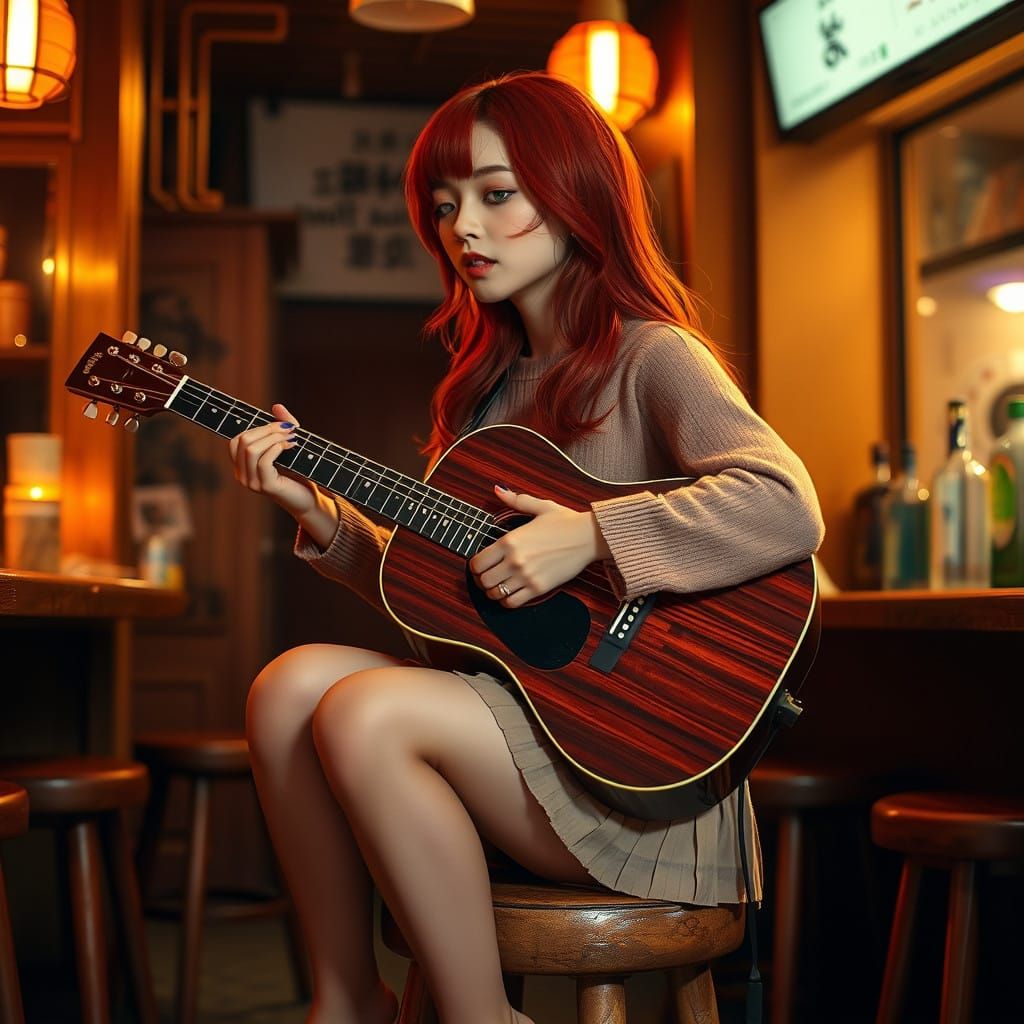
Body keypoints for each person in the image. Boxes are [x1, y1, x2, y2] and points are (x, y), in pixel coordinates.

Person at [229, 70, 824, 1024]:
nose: (463, 225)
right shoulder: (480, 399)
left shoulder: (652, 354)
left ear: (575, 193)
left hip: (642, 776)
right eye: (444, 204)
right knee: (288, 687)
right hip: (525, 732)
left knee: (367, 713)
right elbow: (451, 612)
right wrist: (324, 521)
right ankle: (347, 999)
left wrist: (591, 535)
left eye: (496, 194)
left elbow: (787, 505)